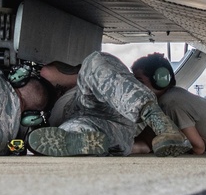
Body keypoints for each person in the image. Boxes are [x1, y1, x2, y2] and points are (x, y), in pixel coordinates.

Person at [26, 51, 192, 157]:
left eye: (138, 80)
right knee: (77, 132)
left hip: (95, 116)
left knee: (95, 60)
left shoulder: (166, 105)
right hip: (92, 121)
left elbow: (143, 146)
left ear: (160, 81)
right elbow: (138, 147)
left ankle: (157, 120)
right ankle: (81, 141)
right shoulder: (115, 86)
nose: (134, 83)